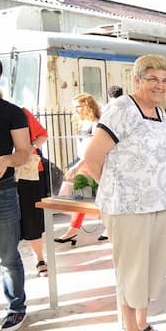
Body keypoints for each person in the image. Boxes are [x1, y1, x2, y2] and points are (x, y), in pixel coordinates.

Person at [84, 54, 166, 331]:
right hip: (127, 208)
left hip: (159, 203)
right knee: (130, 269)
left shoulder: (159, 112)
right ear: (136, 80)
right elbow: (93, 158)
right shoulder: (120, 109)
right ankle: (130, 329)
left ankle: (143, 322)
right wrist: (116, 189)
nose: (159, 86)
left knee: (149, 268)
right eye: (152, 79)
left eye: (164, 81)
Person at [0, 59, 31, 331]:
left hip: (4, 194)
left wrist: (6, 159)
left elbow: (24, 153)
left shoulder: (12, 113)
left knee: (8, 257)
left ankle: (16, 308)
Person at [55, 93, 102, 245]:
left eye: (79, 107)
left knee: (87, 198)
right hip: (84, 163)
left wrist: (78, 165)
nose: (76, 110)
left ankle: (73, 230)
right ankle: (73, 230)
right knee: (82, 198)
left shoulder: (96, 124)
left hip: (90, 164)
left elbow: (93, 149)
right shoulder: (85, 123)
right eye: (75, 107)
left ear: (88, 106)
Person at [17, 108, 49, 277]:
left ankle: (40, 259)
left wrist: (28, 149)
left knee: (32, 218)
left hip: (28, 172)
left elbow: (43, 135)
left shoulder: (19, 112)